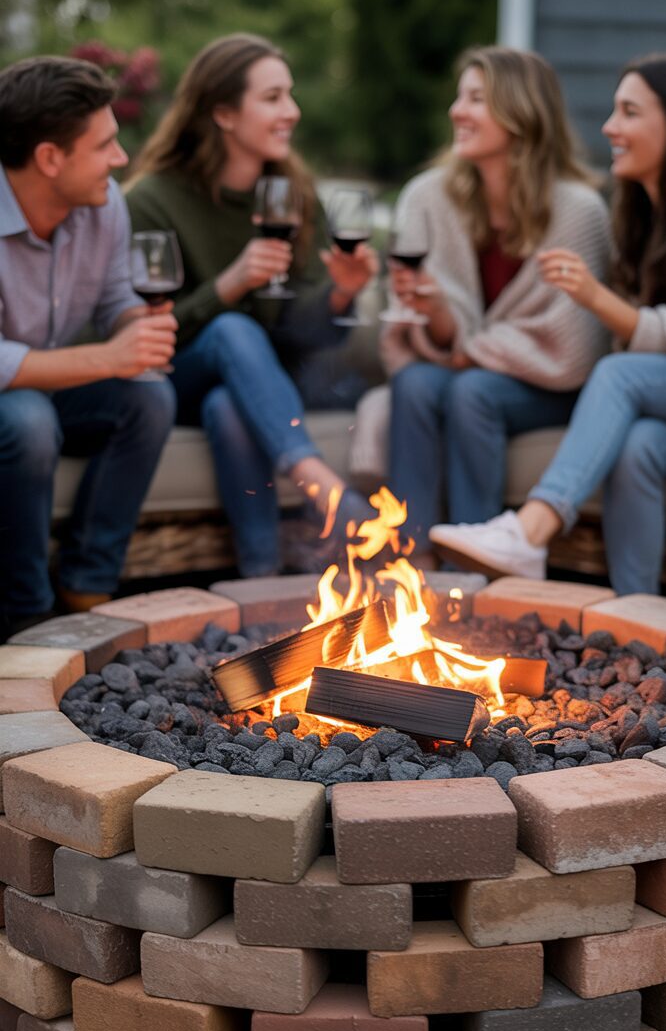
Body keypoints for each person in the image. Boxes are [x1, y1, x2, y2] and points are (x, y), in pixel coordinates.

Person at [430, 53, 666, 595]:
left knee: (621, 375)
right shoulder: (643, 214)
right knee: (638, 447)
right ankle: (635, 612)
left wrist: (594, 297)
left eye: (629, 112)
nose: (609, 127)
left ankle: (532, 529)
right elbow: (660, 335)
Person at [125, 33, 378, 578]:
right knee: (232, 331)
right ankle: (316, 478)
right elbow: (138, 331)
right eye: (273, 98)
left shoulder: (292, 192)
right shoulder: (151, 200)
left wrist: (340, 291)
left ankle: (259, 578)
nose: (292, 111)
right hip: (172, 382)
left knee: (229, 406)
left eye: (289, 95)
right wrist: (230, 284)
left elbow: (300, 334)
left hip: (249, 390)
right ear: (223, 112)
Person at [383, 45, 610, 564]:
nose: (456, 111)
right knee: (416, 383)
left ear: (521, 113)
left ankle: (478, 566)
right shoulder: (427, 197)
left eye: (476, 99)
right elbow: (419, 339)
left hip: (547, 385)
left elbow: (576, 348)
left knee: (473, 391)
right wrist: (437, 311)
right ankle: (407, 564)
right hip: (464, 370)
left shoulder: (580, 211)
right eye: (459, 97)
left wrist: (470, 352)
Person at [0, 56, 177, 645]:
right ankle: (26, 615)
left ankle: (87, 592)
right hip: (13, 401)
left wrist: (140, 325)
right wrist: (109, 356)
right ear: (50, 158)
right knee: (28, 420)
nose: (121, 159)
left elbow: (115, 301)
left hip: (48, 387)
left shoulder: (104, 208)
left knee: (149, 397)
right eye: (105, 146)